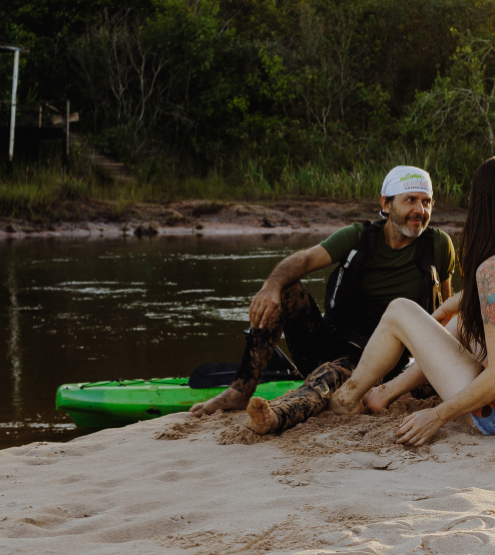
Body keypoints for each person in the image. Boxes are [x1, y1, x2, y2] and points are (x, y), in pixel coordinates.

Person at [311, 156, 495, 446]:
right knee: (462, 320)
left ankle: (347, 398)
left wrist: (437, 415)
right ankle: (384, 393)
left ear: (480, 206)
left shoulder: (494, 271)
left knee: (400, 310)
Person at [190, 166, 456, 436]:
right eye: (410, 200)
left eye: (426, 202)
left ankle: (275, 417)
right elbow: (304, 259)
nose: (419, 210)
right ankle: (240, 390)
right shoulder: (358, 237)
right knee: (286, 289)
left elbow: (446, 313)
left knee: (330, 376)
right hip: (331, 341)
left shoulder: (438, 246)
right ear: (386, 204)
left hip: (380, 361)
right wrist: (271, 286)